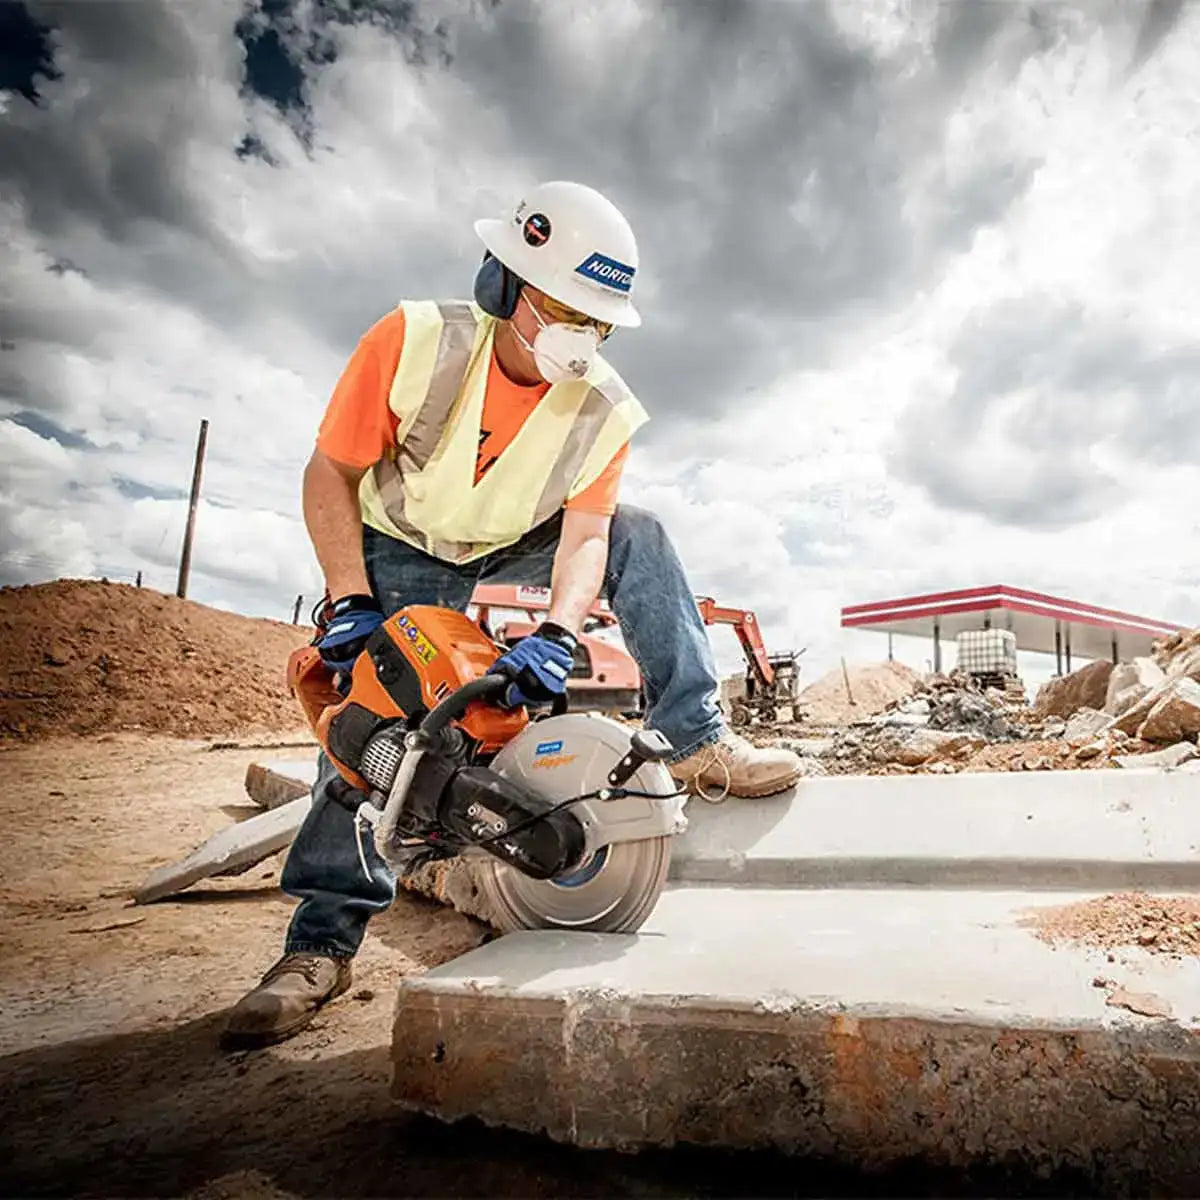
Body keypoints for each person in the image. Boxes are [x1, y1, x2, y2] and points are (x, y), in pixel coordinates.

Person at [222, 181, 802, 1047]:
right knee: (368, 726)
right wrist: (350, 601)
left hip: (519, 535)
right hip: (401, 539)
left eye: (598, 323)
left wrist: (560, 634)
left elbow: (588, 536)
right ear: (503, 284)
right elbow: (330, 473)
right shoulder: (414, 341)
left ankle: (695, 739)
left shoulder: (605, 406)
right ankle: (318, 946)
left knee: (642, 533)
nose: (582, 337)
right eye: (565, 311)